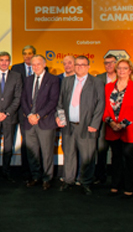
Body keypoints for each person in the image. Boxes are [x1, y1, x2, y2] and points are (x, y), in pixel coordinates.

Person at [56, 56, 105, 195]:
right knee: (69, 155)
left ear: (88, 66)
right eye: (77, 65)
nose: (79, 67)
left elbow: (101, 104)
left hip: (88, 126)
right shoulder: (67, 81)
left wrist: (95, 124)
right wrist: (60, 119)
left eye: (83, 65)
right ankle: (68, 180)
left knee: (87, 156)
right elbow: (60, 103)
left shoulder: (96, 82)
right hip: (69, 126)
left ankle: (85, 182)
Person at [102, 59, 133, 198]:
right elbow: (106, 108)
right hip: (112, 128)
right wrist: (111, 123)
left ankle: (129, 187)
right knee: (116, 158)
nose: (121, 71)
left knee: (129, 158)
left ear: (130, 70)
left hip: (129, 129)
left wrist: (122, 124)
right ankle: (115, 185)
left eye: (124, 68)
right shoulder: (108, 87)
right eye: (119, 68)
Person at [21, 55, 60, 190]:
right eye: (33, 64)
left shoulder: (53, 80)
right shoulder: (27, 80)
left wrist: (38, 115)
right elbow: (23, 99)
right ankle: (36, 177)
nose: (36, 67)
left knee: (47, 152)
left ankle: (47, 178)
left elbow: (53, 101)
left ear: (44, 64)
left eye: (38, 64)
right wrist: (30, 115)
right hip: (29, 122)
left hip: (45, 122)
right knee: (32, 153)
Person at [0, 51, 22, 183]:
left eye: (7, 60)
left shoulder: (17, 76)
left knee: (8, 146)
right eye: (1, 60)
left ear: (10, 62)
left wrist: (7, 112)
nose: (4, 62)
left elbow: (18, 97)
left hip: (9, 117)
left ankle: (6, 172)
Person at [12, 45, 38, 181]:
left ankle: (38, 171)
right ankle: (26, 172)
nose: (27, 56)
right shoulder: (16, 69)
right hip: (22, 111)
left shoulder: (40, 68)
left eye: (30, 54)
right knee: (26, 142)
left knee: (38, 142)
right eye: (25, 53)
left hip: (39, 113)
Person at [94, 54, 118, 184]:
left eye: (111, 62)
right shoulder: (99, 78)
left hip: (119, 121)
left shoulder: (123, 78)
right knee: (101, 150)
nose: (109, 65)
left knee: (117, 152)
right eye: (106, 63)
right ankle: (100, 177)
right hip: (103, 120)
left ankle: (117, 178)